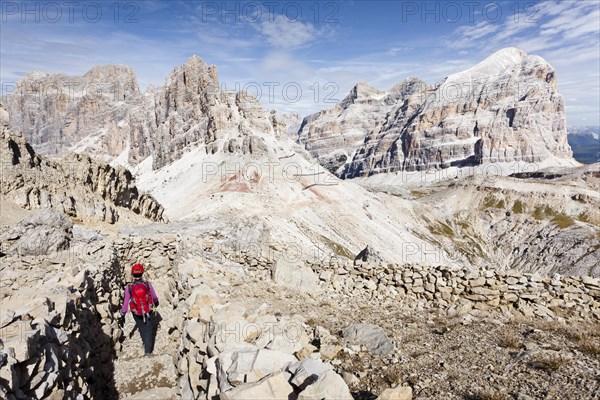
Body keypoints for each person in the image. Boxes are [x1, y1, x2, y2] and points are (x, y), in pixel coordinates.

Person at [119, 263, 159, 356]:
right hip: (148, 310)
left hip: (136, 312)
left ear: (132, 274)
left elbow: (125, 303)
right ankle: (148, 351)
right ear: (142, 273)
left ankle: (145, 344)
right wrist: (155, 305)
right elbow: (155, 298)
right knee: (149, 329)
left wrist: (123, 314)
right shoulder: (148, 284)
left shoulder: (129, 287)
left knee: (141, 327)